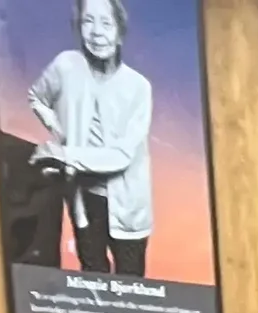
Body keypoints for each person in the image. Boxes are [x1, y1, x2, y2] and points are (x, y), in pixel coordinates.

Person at [27, 0, 154, 279]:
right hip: (84, 199)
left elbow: (121, 156)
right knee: (92, 276)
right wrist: (61, 133)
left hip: (128, 206)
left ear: (120, 33)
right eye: (88, 21)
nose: (97, 32)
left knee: (132, 289)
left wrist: (63, 154)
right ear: (78, 27)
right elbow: (36, 97)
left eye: (106, 23)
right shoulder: (66, 65)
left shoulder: (139, 88)